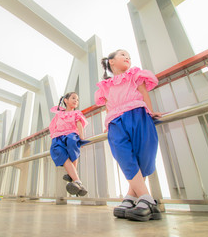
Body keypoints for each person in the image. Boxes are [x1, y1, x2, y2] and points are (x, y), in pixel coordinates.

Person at [94, 49, 162, 221]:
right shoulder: (105, 85)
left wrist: (151, 111)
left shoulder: (135, 74)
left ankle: (131, 198)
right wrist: (107, 122)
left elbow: (144, 92)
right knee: (123, 155)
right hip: (115, 120)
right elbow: (108, 106)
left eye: (129, 57)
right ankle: (147, 200)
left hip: (138, 114)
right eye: (123, 55)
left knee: (144, 155)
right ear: (111, 61)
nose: (127, 58)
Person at [49, 92, 90, 196]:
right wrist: (53, 136)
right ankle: (76, 180)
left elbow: (79, 124)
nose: (76, 100)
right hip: (58, 137)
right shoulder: (59, 114)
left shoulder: (76, 113)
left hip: (71, 135)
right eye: (73, 98)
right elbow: (53, 126)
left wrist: (81, 137)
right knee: (58, 151)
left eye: (77, 99)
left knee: (72, 143)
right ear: (65, 100)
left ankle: (75, 180)